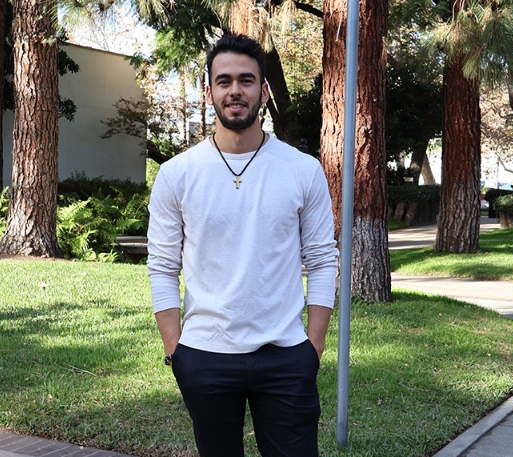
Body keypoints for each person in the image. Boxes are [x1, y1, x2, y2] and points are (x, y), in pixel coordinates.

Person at [147, 33, 339, 457]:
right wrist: (174, 349)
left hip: (287, 356)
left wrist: (314, 344)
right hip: (204, 355)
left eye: (247, 80)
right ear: (210, 90)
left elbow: (324, 259)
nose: (235, 90)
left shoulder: (302, 171)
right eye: (224, 80)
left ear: (264, 91)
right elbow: (162, 265)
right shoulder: (178, 174)